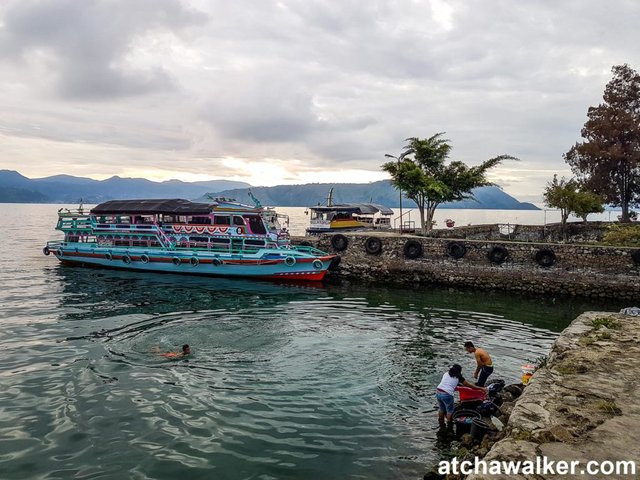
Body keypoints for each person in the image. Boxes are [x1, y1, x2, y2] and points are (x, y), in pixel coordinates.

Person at [436, 364, 486, 428]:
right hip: (447, 394)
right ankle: (449, 425)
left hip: (438, 391)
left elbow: (448, 383)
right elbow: (469, 385)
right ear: (459, 371)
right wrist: (481, 388)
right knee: (449, 411)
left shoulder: (446, 373)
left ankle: (441, 423)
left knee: (441, 409)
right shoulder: (459, 377)